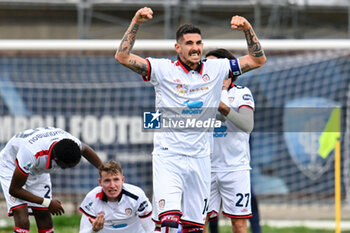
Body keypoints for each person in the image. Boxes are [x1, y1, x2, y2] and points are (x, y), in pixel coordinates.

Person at [115, 7, 266, 233]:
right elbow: (123, 57)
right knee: (169, 222)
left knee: (194, 228)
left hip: (201, 160)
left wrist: (247, 29)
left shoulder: (216, 69)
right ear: (178, 47)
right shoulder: (162, 69)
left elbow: (257, 60)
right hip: (169, 157)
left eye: (198, 43)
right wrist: (136, 22)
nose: (195, 48)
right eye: (189, 43)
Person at [0, 127, 103, 233]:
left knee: (45, 218)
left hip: (37, 169)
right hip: (11, 167)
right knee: (22, 220)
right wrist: (47, 202)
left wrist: (104, 171)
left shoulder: (72, 143)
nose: (68, 168)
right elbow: (15, 190)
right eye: (66, 166)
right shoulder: (31, 152)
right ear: (56, 159)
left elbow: (85, 149)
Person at [203, 48, 261, 233]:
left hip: (235, 169)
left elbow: (247, 125)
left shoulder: (242, 93)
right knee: (198, 221)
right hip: (205, 168)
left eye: (212, 64)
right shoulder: (199, 93)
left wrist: (222, 106)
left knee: (239, 223)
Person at [79, 160, 154, 233]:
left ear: (122, 180)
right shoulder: (92, 198)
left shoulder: (137, 196)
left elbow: (151, 229)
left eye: (116, 180)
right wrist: (94, 230)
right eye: (107, 180)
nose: (112, 185)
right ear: (100, 182)